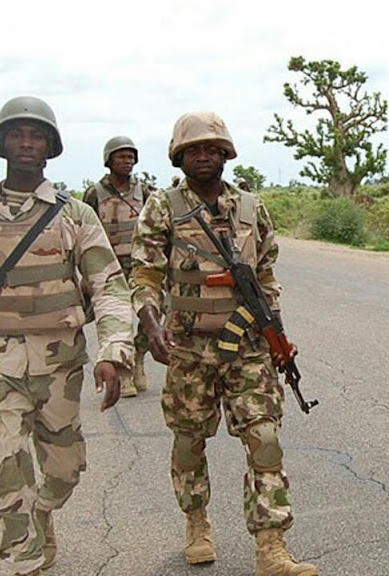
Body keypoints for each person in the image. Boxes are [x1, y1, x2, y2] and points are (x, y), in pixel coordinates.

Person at [0, 96, 135, 576]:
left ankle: (43, 512)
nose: (26, 143)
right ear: (1, 145)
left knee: (65, 471)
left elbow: (109, 286)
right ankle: (26, 557)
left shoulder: (73, 215)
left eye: (36, 135)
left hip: (59, 363)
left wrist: (113, 350)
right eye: (16, 134)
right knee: (4, 464)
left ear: (50, 146)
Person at [130, 111, 318, 576]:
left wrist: (274, 330)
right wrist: (151, 324)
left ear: (226, 154)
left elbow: (266, 274)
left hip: (248, 348)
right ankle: (197, 523)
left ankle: (271, 548)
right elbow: (146, 273)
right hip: (189, 347)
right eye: (193, 149)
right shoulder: (162, 207)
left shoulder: (251, 208)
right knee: (189, 441)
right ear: (179, 157)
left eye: (212, 149)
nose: (203, 156)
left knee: (265, 438)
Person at [83, 135, 155, 398]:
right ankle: (124, 373)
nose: (128, 161)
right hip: (108, 269)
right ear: (109, 160)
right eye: (122, 157)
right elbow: (84, 232)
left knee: (151, 314)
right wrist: (84, 273)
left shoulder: (144, 191)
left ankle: (139, 356)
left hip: (140, 265)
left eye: (131, 157)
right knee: (118, 320)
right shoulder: (95, 193)